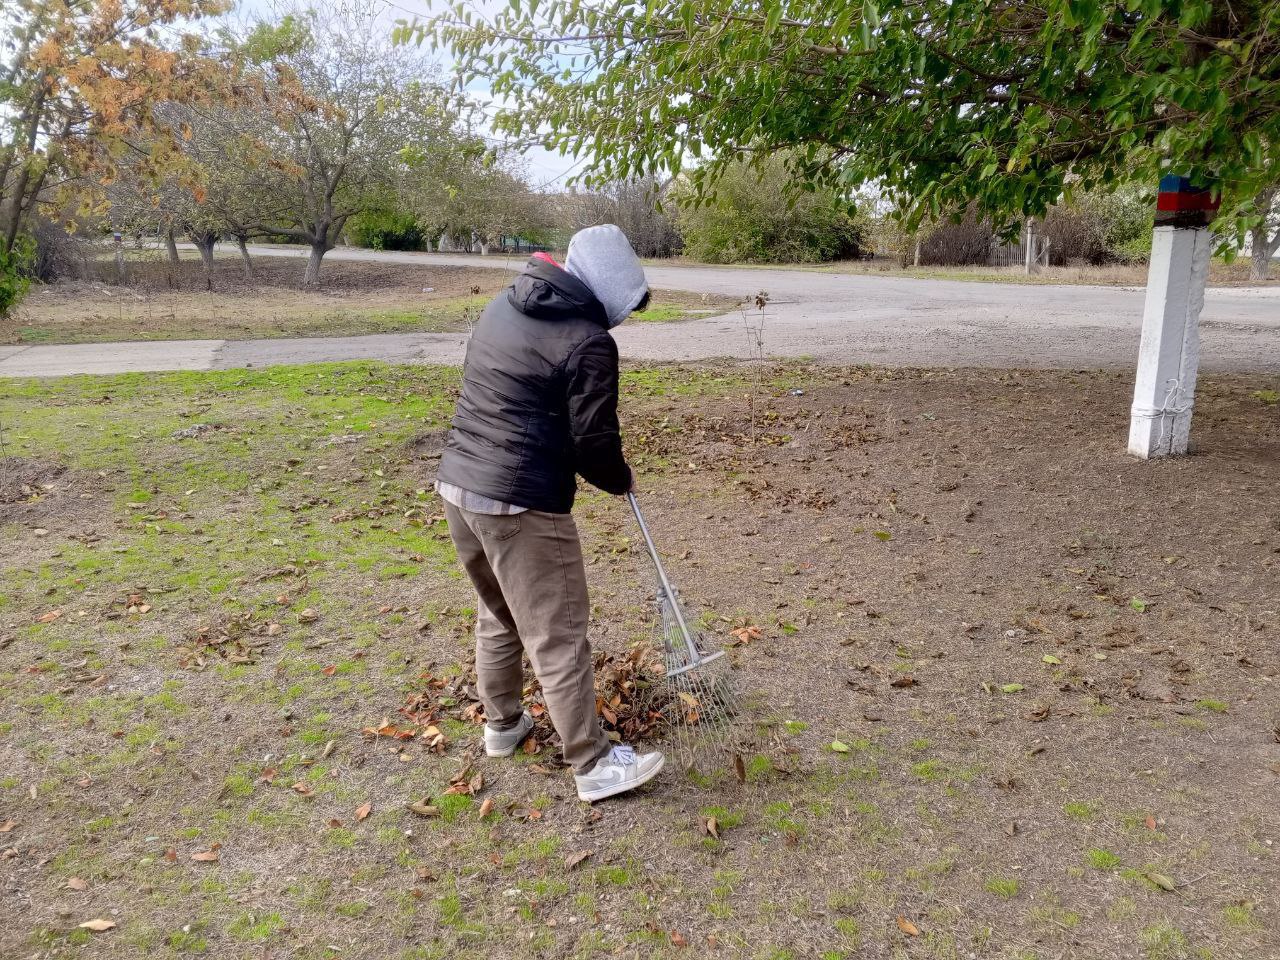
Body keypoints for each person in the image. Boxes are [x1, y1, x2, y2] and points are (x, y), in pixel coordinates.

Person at [435, 225, 665, 802]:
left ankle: (503, 726)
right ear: (609, 296)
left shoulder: (505, 302)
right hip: (522, 502)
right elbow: (594, 442)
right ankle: (592, 764)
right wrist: (619, 479)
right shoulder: (589, 341)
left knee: (500, 612)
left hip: (459, 485)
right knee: (557, 634)